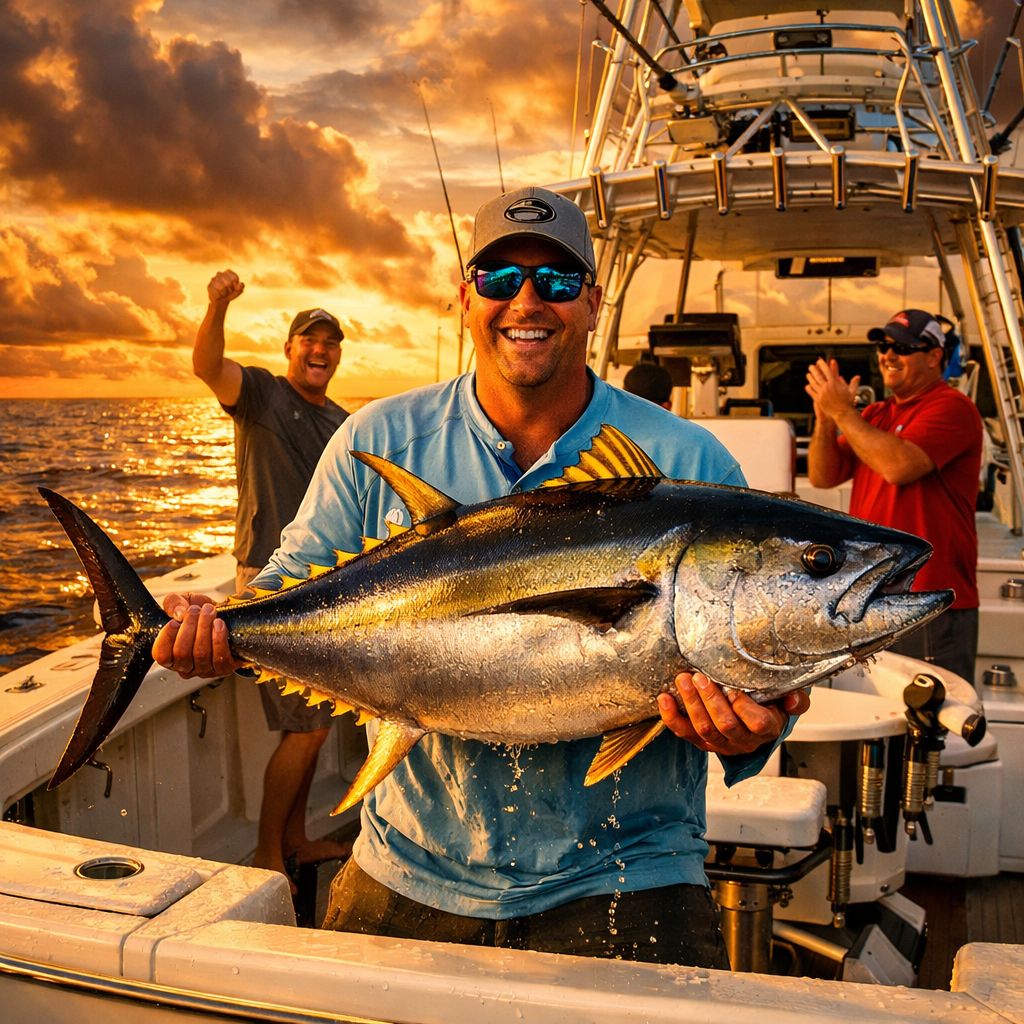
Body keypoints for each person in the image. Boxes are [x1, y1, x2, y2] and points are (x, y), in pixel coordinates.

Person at [155, 188, 809, 964]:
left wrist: (758, 727)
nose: (527, 301)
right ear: (466, 299)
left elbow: (758, 700)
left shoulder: (691, 462)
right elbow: (287, 586)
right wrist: (215, 624)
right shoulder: (380, 437)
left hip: (630, 877)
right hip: (408, 867)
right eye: (500, 280)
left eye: (558, 282)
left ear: (594, 302)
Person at [191, 270, 352, 888]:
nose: (320, 350)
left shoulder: (341, 421)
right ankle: (266, 855)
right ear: (289, 350)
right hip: (268, 584)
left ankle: (296, 839)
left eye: (330, 342)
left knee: (314, 719)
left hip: (327, 589)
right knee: (307, 730)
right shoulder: (258, 394)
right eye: (309, 340)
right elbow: (209, 366)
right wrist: (215, 305)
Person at [805, 309, 984, 684]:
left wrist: (842, 411)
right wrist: (825, 420)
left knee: (936, 721)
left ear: (935, 355)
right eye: (883, 346)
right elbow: (823, 476)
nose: (887, 355)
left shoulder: (953, 407)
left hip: (928, 600)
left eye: (900, 347)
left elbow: (899, 467)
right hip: (870, 597)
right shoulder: (875, 414)